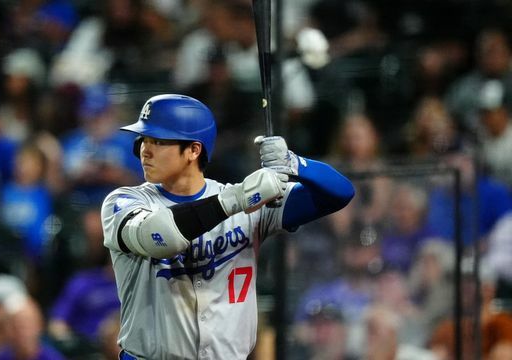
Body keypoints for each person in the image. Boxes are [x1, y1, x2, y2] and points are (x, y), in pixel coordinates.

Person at [101, 94, 355, 359]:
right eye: (144, 139)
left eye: (159, 141)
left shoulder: (248, 203)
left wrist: (294, 163)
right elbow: (161, 237)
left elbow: (340, 192)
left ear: (193, 150)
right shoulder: (124, 201)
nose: (145, 150)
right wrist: (237, 199)